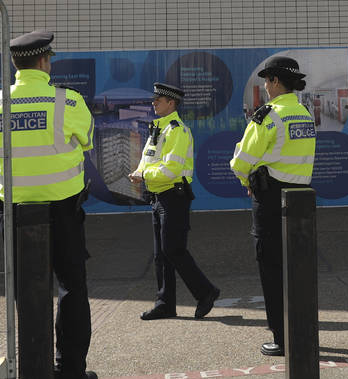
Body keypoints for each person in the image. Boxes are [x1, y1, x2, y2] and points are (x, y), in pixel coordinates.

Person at [0, 30, 98, 379]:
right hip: (63, 209)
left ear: (16, 64)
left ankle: (34, 372)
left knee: (26, 290)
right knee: (71, 288)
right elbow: (87, 140)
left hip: (15, 211)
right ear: (45, 61)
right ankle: (70, 373)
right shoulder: (69, 102)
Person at [229, 57, 316, 356]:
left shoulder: (268, 115)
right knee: (298, 266)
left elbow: (241, 161)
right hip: (301, 197)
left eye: (267, 81)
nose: (265, 87)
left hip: (270, 199)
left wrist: (246, 181)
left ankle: (281, 336)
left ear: (276, 82)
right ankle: (302, 330)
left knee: (271, 266)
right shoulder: (303, 114)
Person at [127, 82, 221, 321]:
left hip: (173, 196)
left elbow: (171, 169)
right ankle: (165, 303)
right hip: (157, 197)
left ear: (171, 103)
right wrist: (139, 172)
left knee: (173, 249)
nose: (153, 103)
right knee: (161, 254)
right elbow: (147, 160)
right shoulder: (158, 129)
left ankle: (206, 291)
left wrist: (143, 175)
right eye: (154, 99)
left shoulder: (176, 130)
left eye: (158, 100)